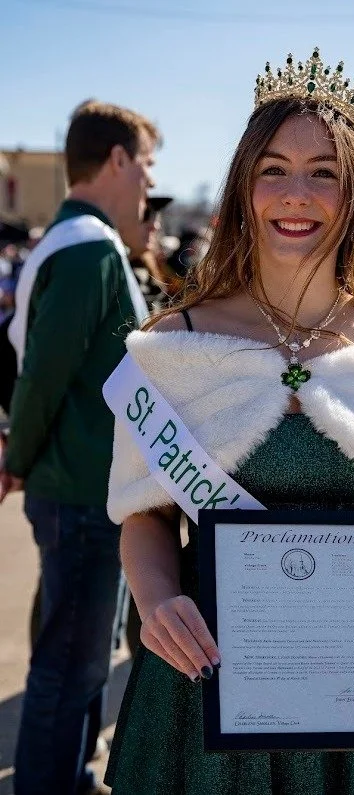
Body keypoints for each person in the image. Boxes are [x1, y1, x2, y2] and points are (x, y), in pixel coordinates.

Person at [103, 48, 354, 794]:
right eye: (273, 169)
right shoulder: (176, 343)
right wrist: (157, 598)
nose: (295, 195)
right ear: (244, 187)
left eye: (323, 172)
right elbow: (143, 516)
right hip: (204, 693)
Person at [0, 99, 158, 795]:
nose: (149, 184)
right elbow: (43, 376)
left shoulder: (79, 239)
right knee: (69, 662)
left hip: (88, 486)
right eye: (146, 165)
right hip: (81, 489)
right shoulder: (88, 246)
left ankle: (72, 772)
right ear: (117, 160)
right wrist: (16, 460)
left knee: (84, 659)